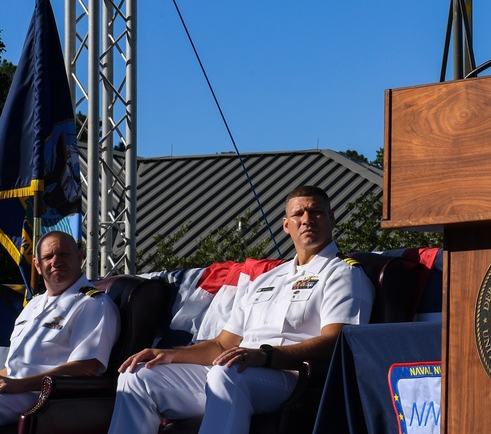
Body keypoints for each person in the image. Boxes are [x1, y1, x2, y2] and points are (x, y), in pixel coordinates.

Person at [107, 185, 375, 434]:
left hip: (292, 376)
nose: (307, 219)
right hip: (239, 370)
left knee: (228, 372)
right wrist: (168, 355)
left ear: (332, 218)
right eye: (298, 214)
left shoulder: (343, 273)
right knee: (137, 376)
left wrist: (264, 356)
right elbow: (223, 345)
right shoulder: (267, 279)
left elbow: (337, 342)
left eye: (316, 212)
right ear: (286, 225)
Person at [0, 230, 120, 424]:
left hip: (43, 398)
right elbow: (16, 366)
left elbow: (86, 367)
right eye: (48, 257)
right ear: (38, 266)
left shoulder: (92, 304)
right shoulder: (33, 305)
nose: (55, 261)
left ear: (79, 257)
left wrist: (19, 385)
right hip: (13, 392)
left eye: (63, 254)